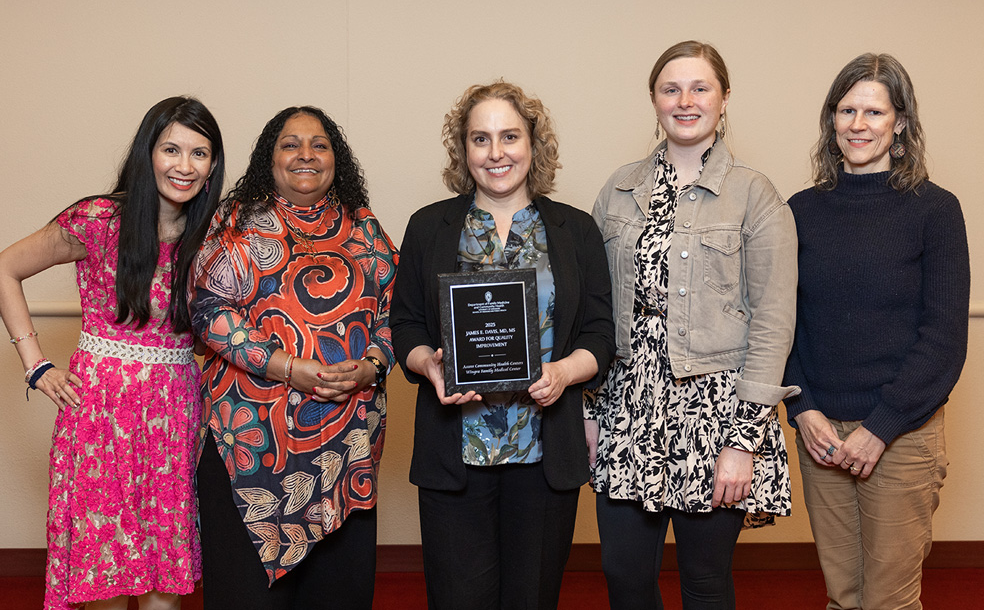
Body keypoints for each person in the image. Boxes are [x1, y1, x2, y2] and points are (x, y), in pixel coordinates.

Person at [0, 97, 225, 610]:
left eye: (199, 154)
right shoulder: (100, 218)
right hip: (100, 417)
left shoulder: (213, 237)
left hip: (175, 414)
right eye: (172, 149)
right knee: (108, 573)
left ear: (212, 167)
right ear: (148, 153)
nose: (184, 166)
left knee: (167, 577)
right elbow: (4, 267)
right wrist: (36, 365)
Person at [585, 41, 798, 610]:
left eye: (700, 88)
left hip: (717, 416)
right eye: (670, 88)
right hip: (626, 411)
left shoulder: (756, 194)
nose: (685, 101)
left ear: (724, 99)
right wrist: (587, 413)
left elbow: (774, 323)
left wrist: (743, 441)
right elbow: (591, 311)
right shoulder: (619, 190)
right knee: (624, 577)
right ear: (653, 100)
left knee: (705, 583)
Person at [390, 81, 614, 610]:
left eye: (509, 136)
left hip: (543, 451)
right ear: (462, 149)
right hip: (455, 451)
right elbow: (405, 325)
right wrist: (429, 366)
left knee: (532, 598)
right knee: (456, 599)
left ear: (533, 144)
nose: (496, 153)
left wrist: (564, 373)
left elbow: (600, 333)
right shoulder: (429, 227)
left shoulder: (574, 230)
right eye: (480, 139)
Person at [189, 106, 398, 609]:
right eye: (290, 143)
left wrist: (372, 363)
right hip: (252, 454)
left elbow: (395, 318)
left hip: (346, 457)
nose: (305, 154)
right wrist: (287, 367)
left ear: (336, 158)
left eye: (319, 144)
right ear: (270, 157)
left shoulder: (365, 226)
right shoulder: (239, 222)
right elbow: (207, 310)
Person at [784, 53, 970, 610]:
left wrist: (880, 427)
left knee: (888, 600)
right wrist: (803, 410)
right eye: (846, 110)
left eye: (874, 111)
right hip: (821, 434)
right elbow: (782, 326)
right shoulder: (799, 211)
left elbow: (942, 340)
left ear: (901, 123)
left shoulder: (935, 211)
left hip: (902, 433)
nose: (858, 124)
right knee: (842, 596)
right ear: (831, 120)